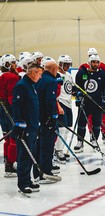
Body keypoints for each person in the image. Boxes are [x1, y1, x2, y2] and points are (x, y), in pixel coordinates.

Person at [12, 63, 42, 195]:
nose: (40, 77)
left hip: (33, 126)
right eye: (39, 74)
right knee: (24, 156)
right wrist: (18, 123)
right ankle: (22, 183)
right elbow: (16, 106)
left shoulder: (31, 85)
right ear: (33, 72)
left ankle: (28, 179)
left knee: (31, 155)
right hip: (25, 128)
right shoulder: (21, 86)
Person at [73, 54, 105, 153]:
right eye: (93, 62)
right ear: (89, 62)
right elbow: (77, 87)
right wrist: (77, 96)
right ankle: (80, 142)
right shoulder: (82, 73)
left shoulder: (102, 74)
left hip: (97, 103)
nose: (95, 64)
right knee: (81, 123)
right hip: (85, 103)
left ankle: (94, 140)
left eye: (97, 62)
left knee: (96, 124)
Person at [79, 48, 105, 145]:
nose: (94, 62)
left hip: (98, 99)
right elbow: (80, 82)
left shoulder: (102, 67)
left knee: (102, 117)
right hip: (87, 99)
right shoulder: (83, 67)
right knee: (86, 118)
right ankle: (90, 134)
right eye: (91, 56)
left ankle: (104, 133)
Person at [35, 58, 60, 184]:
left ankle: (37, 171)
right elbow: (50, 101)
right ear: (54, 69)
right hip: (47, 118)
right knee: (47, 145)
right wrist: (53, 116)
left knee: (39, 144)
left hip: (38, 117)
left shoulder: (39, 79)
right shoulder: (51, 81)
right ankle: (46, 171)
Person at [0, 54, 20, 178]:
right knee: (13, 139)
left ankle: (8, 163)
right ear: (7, 64)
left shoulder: (2, 75)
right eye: (12, 63)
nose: (15, 65)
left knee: (7, 137)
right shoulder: (11, 77)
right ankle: (11, 164)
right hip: (9, 109)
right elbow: (13, 98)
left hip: (2, 109)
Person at [54, 55, 74, 163]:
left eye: (68, 64)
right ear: (60, 64)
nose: (67, 66)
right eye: (65, 64)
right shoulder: (57, 75)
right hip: (61, 103)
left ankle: (61, 149)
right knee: (61, 129)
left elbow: (70, 88)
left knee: (67, 129)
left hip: (68, 104)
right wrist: (58, 105)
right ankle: (58, 150)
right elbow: (56, 91)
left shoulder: (69, 75)